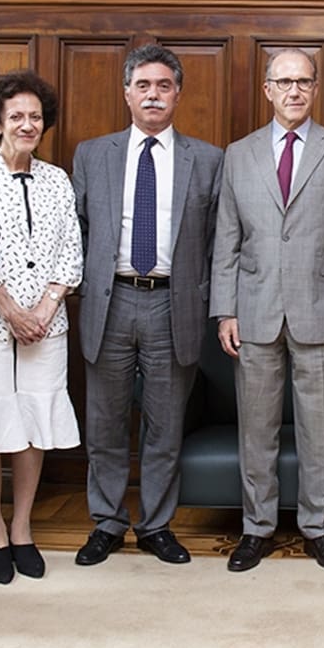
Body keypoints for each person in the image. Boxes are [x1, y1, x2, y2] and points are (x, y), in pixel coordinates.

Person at [211, 48, 324, 573]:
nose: (294, 91)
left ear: (316, 89)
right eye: (284, 82)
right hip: (253, 311)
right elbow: (227, 238)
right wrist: (224, 310)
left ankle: (317, 528)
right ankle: (256, 528)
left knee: (318, 429)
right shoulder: (239, 154)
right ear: (267, 90)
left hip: (321, 313)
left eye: (303, 81)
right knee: (256, 428)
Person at [72, 44, 224, 567]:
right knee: (105, 422)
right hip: (109, 301)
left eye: (163, 86)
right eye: (143, 85)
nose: (153, 94)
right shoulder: (93, 154)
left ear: (177, 93)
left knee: (164, 425)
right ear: (127, 93)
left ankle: (156, 525)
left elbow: (216, 242)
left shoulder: (207, 159)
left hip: (172, 305)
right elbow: (81, 232)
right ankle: (108, 523)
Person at [0, 70, 83, 584]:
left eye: (34, 116)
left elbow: (70, 250)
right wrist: (7, 305)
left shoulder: (57, 179)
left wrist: (48, 306)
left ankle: (24, 526)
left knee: (33, 422)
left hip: (46, 326)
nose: (27, 125)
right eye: (16, 117)